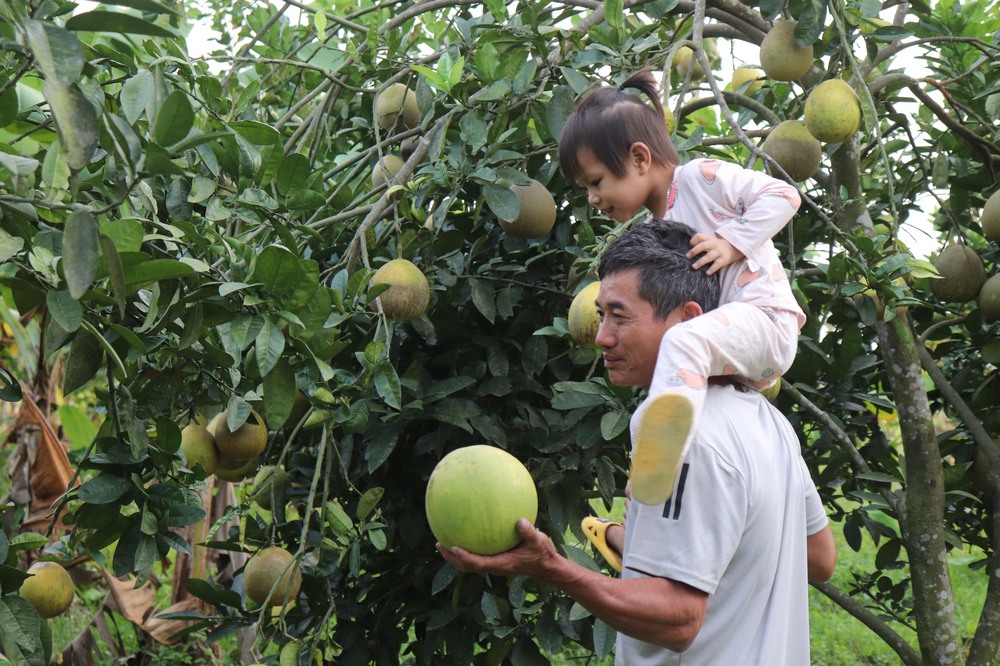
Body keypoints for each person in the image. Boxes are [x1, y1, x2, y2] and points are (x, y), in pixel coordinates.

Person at [438, 219, 836, 665]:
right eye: (601, 313)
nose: (602, 336)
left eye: (619, 315)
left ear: (689, 320)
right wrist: (643, 540)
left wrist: (550, 568)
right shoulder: (768, 420)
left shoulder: (684, 436)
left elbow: (679, 619)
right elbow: (818, 558)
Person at [558, 68, 807, 507]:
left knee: (681, 341)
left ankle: (663, 461)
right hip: (732, 352)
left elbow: (784, 195)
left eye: (595, 182)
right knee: (672, 365)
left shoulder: (698, 178)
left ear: (639, 158)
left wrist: (733, 243)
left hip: (766, 321)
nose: (593, 199)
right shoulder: (660, 226)